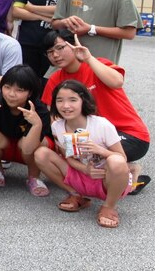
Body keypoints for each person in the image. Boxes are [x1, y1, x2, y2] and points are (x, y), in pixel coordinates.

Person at [41, 30, 151, 193]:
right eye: (50, 52)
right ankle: (117, 174)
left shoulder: (96, 64)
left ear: (74, 45)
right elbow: (55, 118)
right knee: (77, 154)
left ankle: (126, 172)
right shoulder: (55, 80)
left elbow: (117, 82)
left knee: (93, 156)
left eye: (60, 48)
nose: (55, 55)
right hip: (92, 135)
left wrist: (88, 58)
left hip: (130, 134)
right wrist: (63, 144)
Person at [35, 80, 133, 229]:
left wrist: (100, 150)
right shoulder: (57, 126)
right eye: (60, 100)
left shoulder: (102, 124)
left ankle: (109, 206)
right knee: (41, 154)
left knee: (116, 162)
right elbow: (68, 158)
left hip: (106, 179)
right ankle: (76, 195)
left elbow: (122, 158)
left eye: (72, 100)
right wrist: (85, 169)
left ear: (83, 101)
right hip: (81, 174)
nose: (66, 106)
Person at [0, 65, 51, 196]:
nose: (11, 94)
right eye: (7, 87)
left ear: (30, 92)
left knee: (41, 144)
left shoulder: (39, 110)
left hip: (27, 148)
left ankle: (33, 178)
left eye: (19, 90)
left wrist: (36, 125)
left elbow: (28, 148)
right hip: (5, 145)